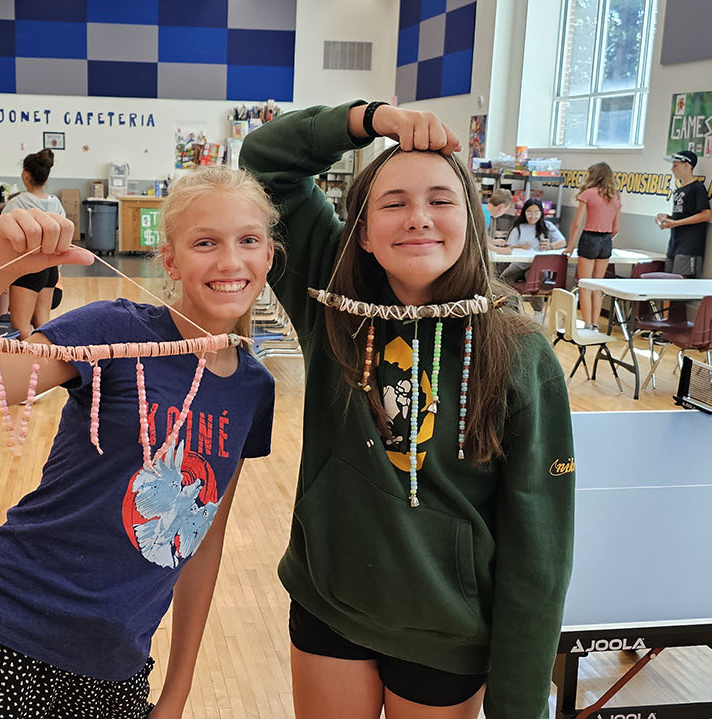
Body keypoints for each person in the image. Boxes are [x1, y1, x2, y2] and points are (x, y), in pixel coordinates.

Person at [0, 166, 278, 719]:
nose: (230, 261)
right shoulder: (111, 330)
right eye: (204, 242)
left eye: (248, 241)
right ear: (168, 259)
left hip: (115, 663)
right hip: (6, 630)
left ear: (268, 255)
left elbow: (202, 541)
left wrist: (178, 692)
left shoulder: (252, 389)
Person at [242, 101, 575, 719]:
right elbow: (266, 163)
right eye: (393, 202)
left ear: (473, 221)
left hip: (445, 635)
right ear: (362, 231)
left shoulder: (519, 351)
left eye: (441, 200)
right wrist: (372, 119)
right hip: (329, 605)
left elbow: (540, 551)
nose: (418, 218)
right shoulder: (330, 299)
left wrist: (519, 705)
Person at [0, 148, 66, 339]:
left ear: (26, 175)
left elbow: (0, 235)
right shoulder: (56, 204)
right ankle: (46, 365)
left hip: (28, 269)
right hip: (50, 269)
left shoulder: (17, 203)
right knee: (43, 325)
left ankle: (30, 368)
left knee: (21, 329)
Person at [569, 162, 623, 327]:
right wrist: (605, 239)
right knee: (598, 284)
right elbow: (616, 228)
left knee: (584, 284)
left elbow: (577, 223)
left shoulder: (588, 194)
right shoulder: (615, 196)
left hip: (590, 238)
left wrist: (570, 246)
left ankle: (587, 324)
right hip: (606, 240)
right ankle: (595, 323)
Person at [655, 150, 711, 278]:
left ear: (687, 165)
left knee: (681, 284)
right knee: (667, 281)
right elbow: (680, 216)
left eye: (675, 165)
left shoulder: (697, 188)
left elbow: (705, 214)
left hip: (689, 246)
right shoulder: (679, 190)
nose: (672, 169)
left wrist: (676, 223)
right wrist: (666, 218)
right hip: (675, 245)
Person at [494, 198, 567, 288]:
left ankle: (537, 302)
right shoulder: (518, 227)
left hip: (539, 266)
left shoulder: (547, 226)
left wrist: (551, 246)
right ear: (524, 212)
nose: (533, 215)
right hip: (519, 264)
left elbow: (563, 242)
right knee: (503, 281)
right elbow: (508, 246)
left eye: (536, 212)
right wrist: (521, 247)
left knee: (534, 284)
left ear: (541, 213)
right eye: (529, 212)